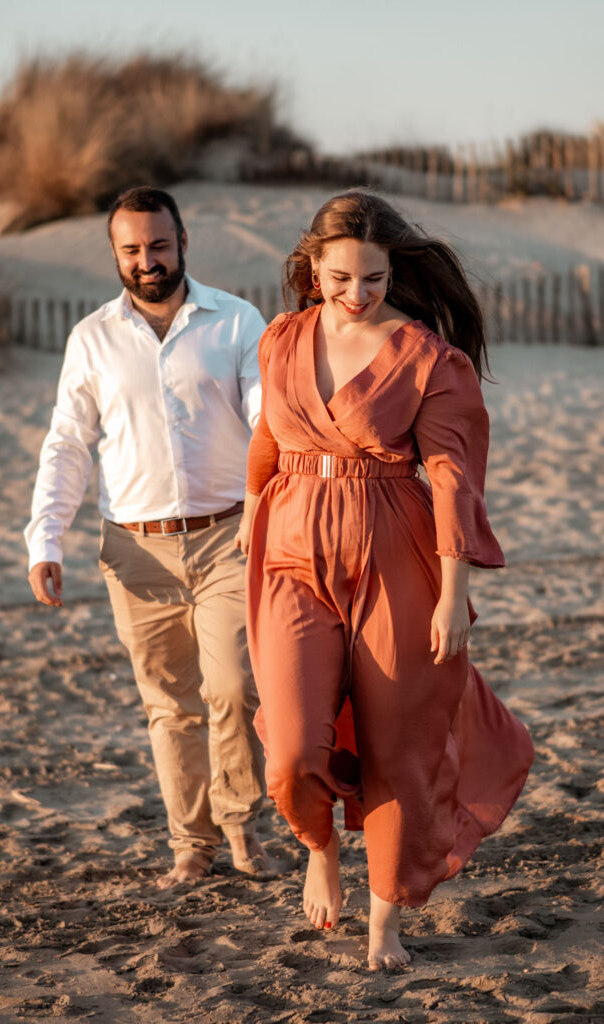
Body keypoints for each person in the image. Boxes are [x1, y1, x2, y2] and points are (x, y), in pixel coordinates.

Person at [236, 190, 534, 969]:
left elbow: (449, 476)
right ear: (310, 268)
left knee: (398, 743)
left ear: (392, 271)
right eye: (340, 277)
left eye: (372, 278)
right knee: (293, 743)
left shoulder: (430, 358)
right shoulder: (282, 338)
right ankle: (318, 845)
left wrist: (450, 592)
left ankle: (384, 924)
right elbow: (267, 435)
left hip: (395, 554)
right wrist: (247, 521)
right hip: (291, 549)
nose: (357, 294)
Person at [26, 186, 273, 888]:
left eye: (158, 246)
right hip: (134, 549)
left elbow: (266, 421)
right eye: (131, 250)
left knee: (233, 690)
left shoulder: (236, 320)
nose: (146, 261)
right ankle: (190, 846)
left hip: (230, 537)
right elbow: (68, 443)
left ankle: (241, 828)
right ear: (114, 253)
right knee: (170, 706)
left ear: (183, 242)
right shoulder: (92, 338)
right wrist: (46, 538)